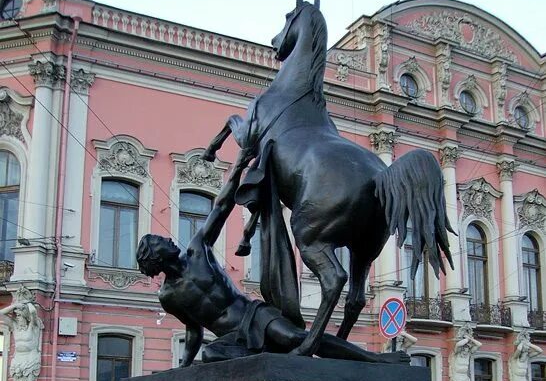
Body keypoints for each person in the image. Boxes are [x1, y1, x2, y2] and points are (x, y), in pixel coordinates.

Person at [137, 157, 408, 367]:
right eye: (159, 241)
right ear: (154, 257)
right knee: (209, 356)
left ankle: (377, 359)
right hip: (231, 339)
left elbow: (220, 208)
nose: (168, 239)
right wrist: (183, 367)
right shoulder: (168, 296)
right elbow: (193, 329)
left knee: (295, 338)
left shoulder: (197, 250)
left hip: (253, 315)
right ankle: (266, 362)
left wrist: (240, 169)